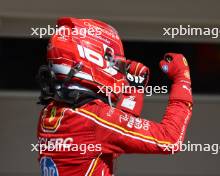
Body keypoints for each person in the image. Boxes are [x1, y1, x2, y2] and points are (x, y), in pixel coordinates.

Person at [37, 17, 193, 176]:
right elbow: (170, 140)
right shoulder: (94, 119)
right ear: (90, 57)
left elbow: (115, 142)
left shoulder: (50, 112)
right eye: (110, 60)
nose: (117, 68)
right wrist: (182, 80)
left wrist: (134, 90)